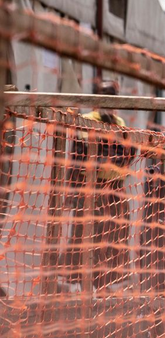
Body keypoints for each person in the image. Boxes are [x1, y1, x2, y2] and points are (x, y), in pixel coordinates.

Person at [70, 80, 137, 290]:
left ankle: (106, 283)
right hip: (91, 188)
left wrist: (114, 158)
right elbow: (78, 157)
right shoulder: (86, 122)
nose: (108, 101)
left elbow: (127, 154)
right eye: (104, 96)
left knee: (115, 236)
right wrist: (73, 192)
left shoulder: (120, 124)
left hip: (115, 188)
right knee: (86, 235)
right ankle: (81, 283)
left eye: (112, 96)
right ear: (96, 100)